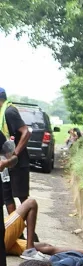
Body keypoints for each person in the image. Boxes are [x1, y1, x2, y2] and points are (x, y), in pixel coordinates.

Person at [0, 87, 32, 215]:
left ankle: (30, 233)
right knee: (7, 197)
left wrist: (15, 153)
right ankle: (16, 231)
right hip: (6, 163)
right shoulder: (2, 113)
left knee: (22, 197)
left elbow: (26, 132)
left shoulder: (9, 112)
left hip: (18, 163)